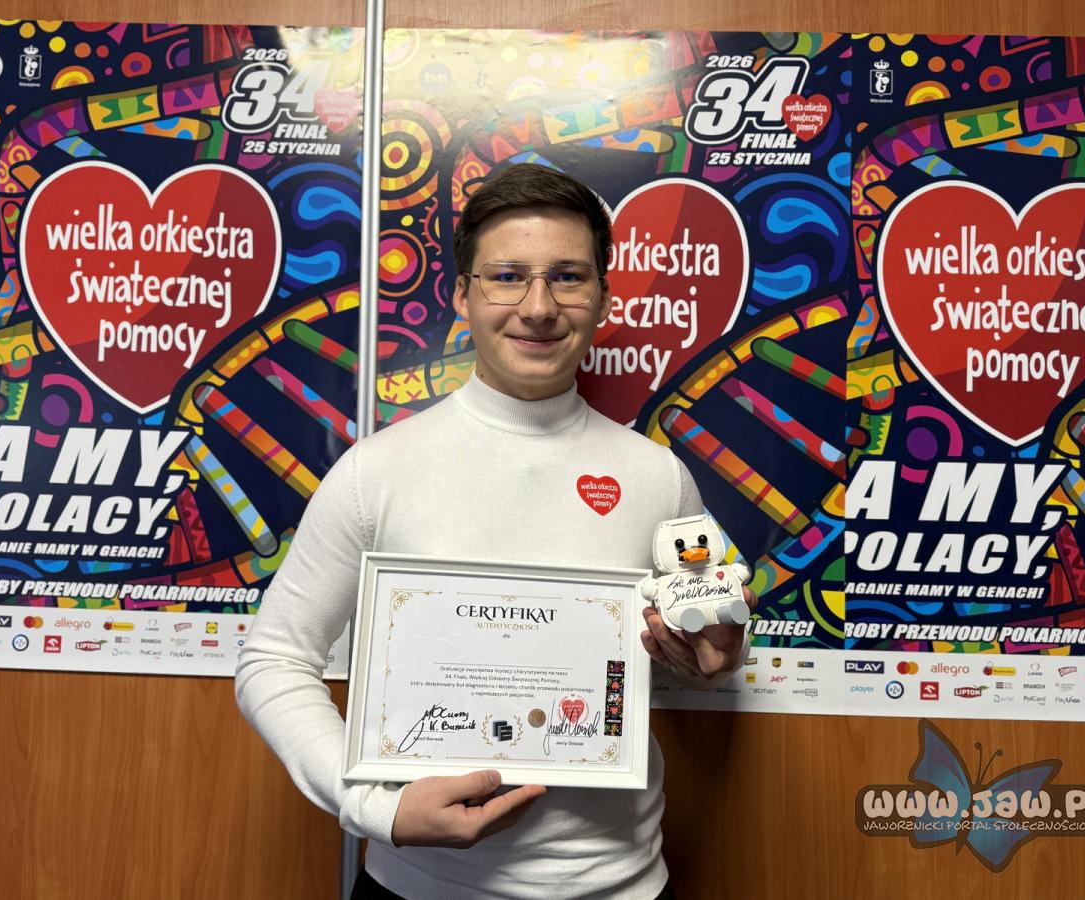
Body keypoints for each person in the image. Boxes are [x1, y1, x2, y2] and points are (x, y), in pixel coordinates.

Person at [235, 163, 754, 899]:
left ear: (603, 297)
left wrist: (713, 657)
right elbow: (274, 659)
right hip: (414, 887)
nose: (538, 307)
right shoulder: (376, 471)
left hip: (625, 886)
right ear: (463, 295)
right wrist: (376, 809)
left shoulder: (657, 478)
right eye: (507, 277)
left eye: (568, 277)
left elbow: (701, 645)